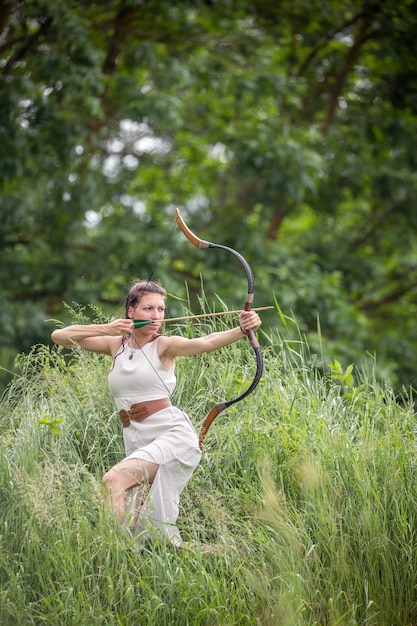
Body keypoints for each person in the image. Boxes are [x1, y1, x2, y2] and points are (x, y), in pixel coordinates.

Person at [51, 279, 262, 551]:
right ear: (131, 311)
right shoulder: (115, 345)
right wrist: (107, 328)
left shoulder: (164, 345)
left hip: (170, 434)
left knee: (112, 480)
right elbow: (59, 336)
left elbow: (205, 342)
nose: (156, 316)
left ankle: (109, 558)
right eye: (149, 309)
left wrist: (241, 330)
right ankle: (230, 553)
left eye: (161, 310)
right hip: (137, 438)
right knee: (145, 535)